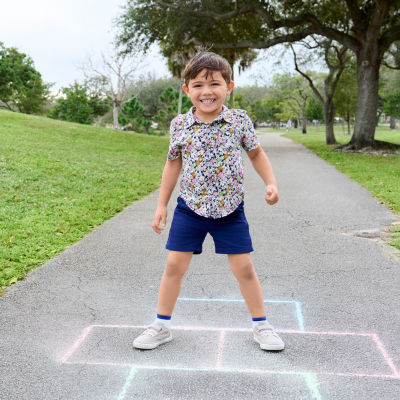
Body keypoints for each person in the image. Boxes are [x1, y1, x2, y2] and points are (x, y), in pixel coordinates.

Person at [132, 51, 284, 351]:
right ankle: (161, 326)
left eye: (214, 84)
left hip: (230, 209)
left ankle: (261, 325)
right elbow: (172, 163)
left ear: (229, 87)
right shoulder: (180, 125)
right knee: (174, 265)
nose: (206, 91)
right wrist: (161, 204)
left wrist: (271, 183)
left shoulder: (238, 120)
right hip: (190, 207)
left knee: (244, 268)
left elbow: (255, 153)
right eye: (198, 85)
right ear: (187, 89)